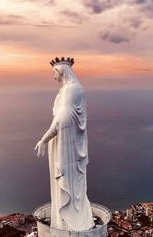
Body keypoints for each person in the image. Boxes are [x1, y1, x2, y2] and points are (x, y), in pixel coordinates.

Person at [34, 57, 94, 231]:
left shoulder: (70, 90)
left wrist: (43, 139)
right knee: (75, 185)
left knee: (68, 184)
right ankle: (72, 218)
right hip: (71, 145)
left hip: (65, 148)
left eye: (54, 72)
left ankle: (67, 222)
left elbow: (62, 119)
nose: (53, 77)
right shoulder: (76, 89)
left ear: (61, 70)